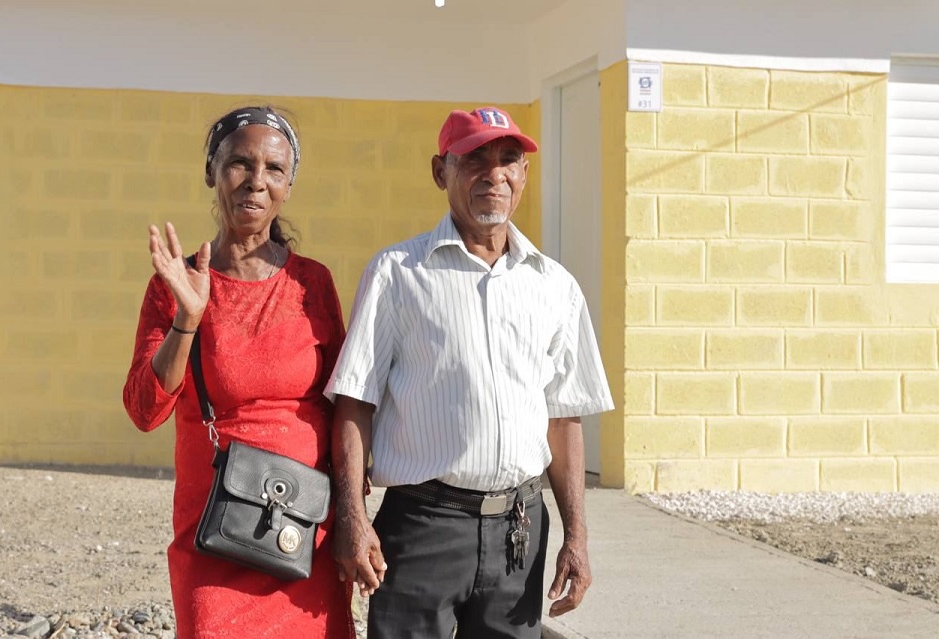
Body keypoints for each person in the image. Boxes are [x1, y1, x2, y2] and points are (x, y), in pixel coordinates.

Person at [326, 106, 614, 639]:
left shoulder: (555, 286)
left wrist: (576, 535)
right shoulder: (397, 274)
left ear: (524, 175)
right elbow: (353, 402)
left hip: (519, 532)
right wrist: (352, 518)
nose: (494, 174)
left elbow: (563, 417)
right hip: (422, 529)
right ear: (442, 172)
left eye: (509, 160)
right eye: (474, 159)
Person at [123, 106, 353, 639]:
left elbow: (344, 407)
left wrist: (351, 522)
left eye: (274, 169)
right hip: (216, 532)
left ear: (289, 185)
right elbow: (144, 409)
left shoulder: (313, 284)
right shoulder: (176, 284)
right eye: (239, 163)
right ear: (212, 171)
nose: (256, 181)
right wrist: (188, 316)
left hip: (303, 531)